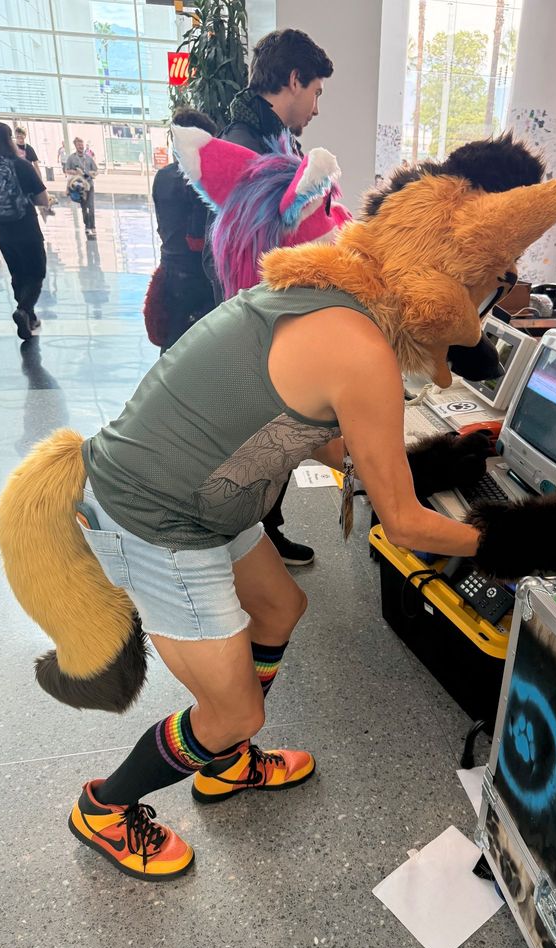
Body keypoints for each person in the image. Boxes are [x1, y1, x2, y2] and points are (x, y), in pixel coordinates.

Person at [0, 137, 556, 882]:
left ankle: (226, 767)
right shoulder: (360, 347)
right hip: (154, 515)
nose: (495, 298)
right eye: (494, 281)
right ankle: (106, 807)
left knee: (279, 611)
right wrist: (537, 540)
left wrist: (425, 461)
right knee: (232, 712)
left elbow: (294, 425)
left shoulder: (327, 292)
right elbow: (405, 526)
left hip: (208, 493)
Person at [204, 28, 335, 567]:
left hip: (271, 315)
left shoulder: (276, 139)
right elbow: (237, 255)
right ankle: (250, 537)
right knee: (266, 430)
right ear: (294, 79)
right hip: (254, 320)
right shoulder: (244, 144)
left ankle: (261, 529)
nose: (317, 106)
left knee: (277, 430)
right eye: (317, 92)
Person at [146, 108, 217, 354]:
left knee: (172, 343)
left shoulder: (163, 176)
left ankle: (163, 390)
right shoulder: (202, 179)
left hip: (171, 271)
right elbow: (201, 240)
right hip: (201, 277)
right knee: (203, 348)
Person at [0, 121, 49, 340]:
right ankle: (23, 310)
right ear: (8, 139)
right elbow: (42, 199)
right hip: (26, 227)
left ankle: (28, 317)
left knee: (18, 273)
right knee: (36, 271)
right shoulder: (20, 165)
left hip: (0, 230)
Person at [65, 137, 98, 239]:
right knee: (85, 208)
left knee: (91, 207)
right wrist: (76, 172)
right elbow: (67, 170)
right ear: (75, 145)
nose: (81, 146)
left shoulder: (88, 158)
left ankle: (92, 227)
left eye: (82, 144)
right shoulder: (71, 158)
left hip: (89, 186)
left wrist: (92, 174)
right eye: (79, 145)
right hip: (80, 187)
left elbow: (96, 171)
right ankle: (87, 226)